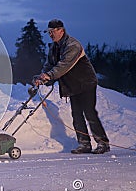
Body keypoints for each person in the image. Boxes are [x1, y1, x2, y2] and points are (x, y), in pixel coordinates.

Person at [34, 19, 110, 154]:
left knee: (89, 112)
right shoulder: (53, 48)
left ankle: (103, 143)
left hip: (86, 82)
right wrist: (42, 77)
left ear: (61, 30)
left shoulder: (73, 45)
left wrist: (50, 75)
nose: (50, 35)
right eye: (49, 32)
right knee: (76, 114)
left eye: (53, 32)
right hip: (72, 85)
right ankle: (84, 144)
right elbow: (49, 65)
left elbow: (64, 65)